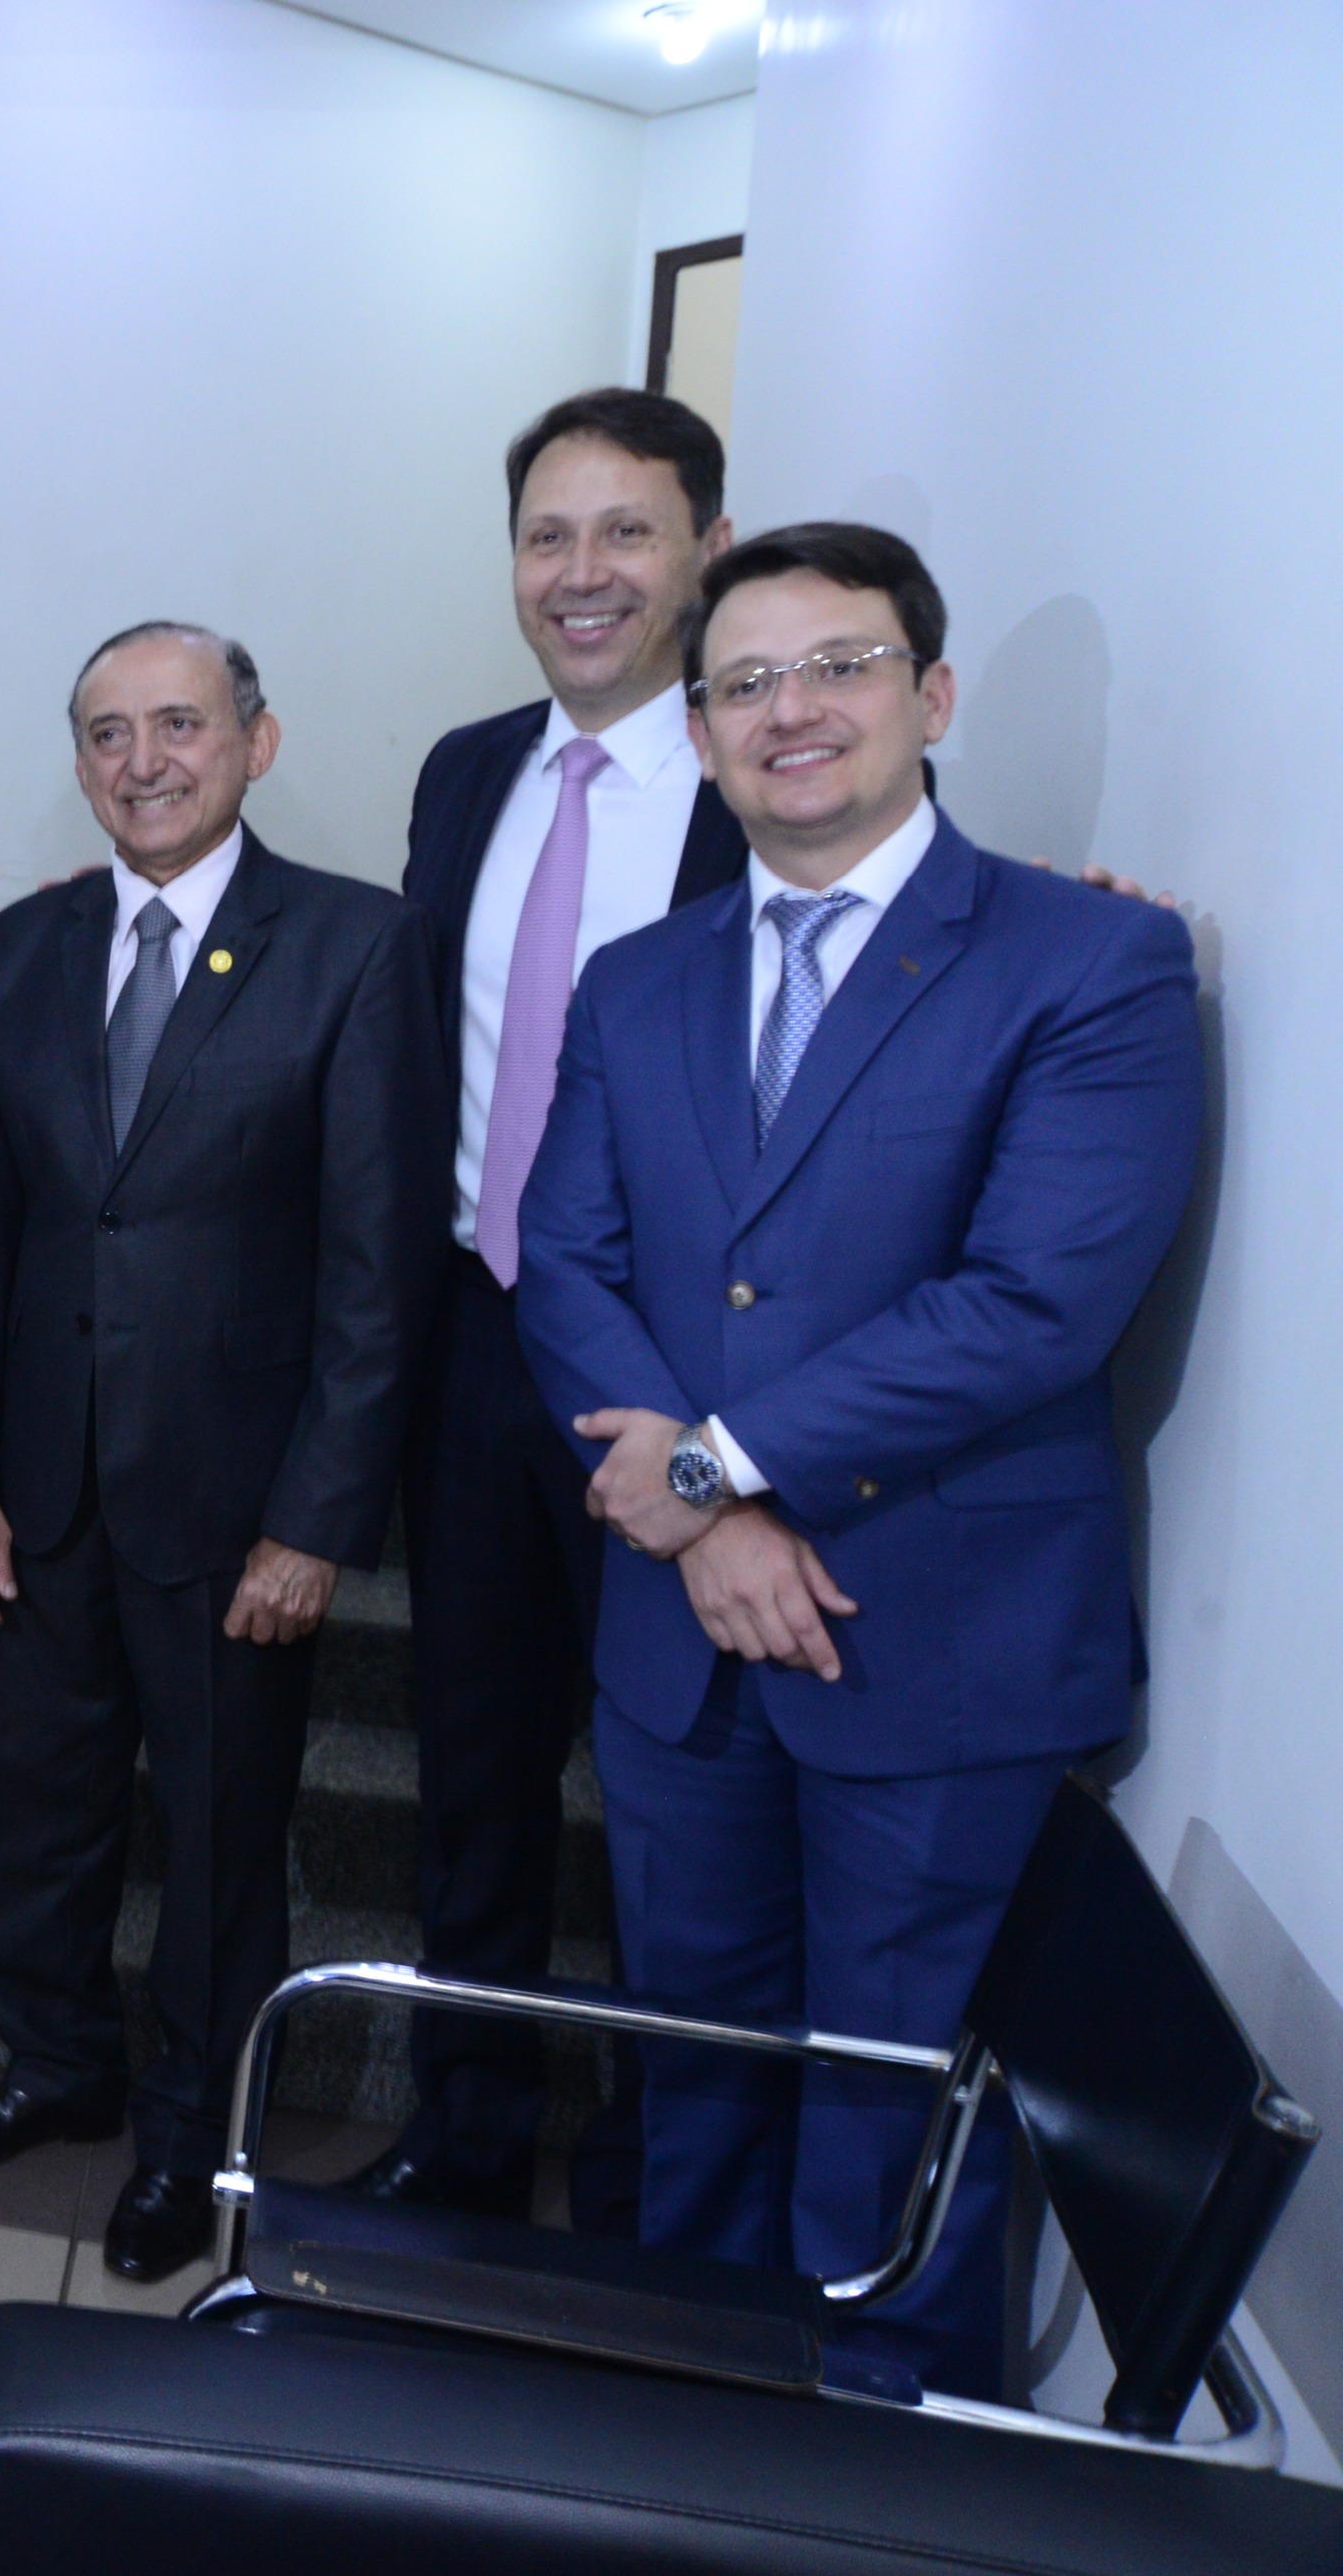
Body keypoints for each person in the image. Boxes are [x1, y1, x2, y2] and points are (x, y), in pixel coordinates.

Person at [514, 523, 1200, 2396]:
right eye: (743, 682)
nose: (789, 710)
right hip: (682, 1652)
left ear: (932, 694)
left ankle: (873, 2485)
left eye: (839, 666)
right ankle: (686, 2448)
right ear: (702, 730)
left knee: (895, 2133)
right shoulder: (639, 980)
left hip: (934, 1643)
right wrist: (702, 1524)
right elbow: (565, 1261)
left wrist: (713, 1471)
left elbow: (1034, 1303)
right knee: (698, 2080)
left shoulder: (1091, 958)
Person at [0, 623, 440, 2284]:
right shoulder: (24, 945)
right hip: (43, 1484)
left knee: (216, 1834)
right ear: (79, 760)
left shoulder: (355, 946)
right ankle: (55, 2063)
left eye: (180, 725)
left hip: (234, 1501)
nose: (144, 761)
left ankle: (189, 2129)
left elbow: (380, 1269)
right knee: (42, 1806)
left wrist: (318, 1519)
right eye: (108, 732)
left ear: (255, 743)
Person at [350, 387, 744, 2232]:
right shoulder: (468, 768)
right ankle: (469, 2133)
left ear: (707, 551)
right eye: (547, 536)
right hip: (470, 1332)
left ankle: (663, 2174)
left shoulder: (761, 775)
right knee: (475, 1765)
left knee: (676, 1790)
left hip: (678, 1370)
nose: (582, 574)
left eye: (626, 531)